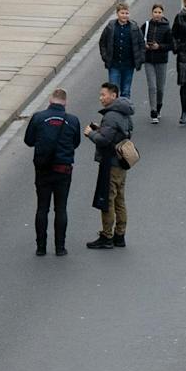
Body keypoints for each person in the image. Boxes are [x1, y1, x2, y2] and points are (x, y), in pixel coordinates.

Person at [22, 87, 81, 257]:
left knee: (42, 208)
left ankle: (41, 247)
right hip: (63, 170)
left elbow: (29, 141)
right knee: (61, 208)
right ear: (65, 102)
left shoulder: (39, 118)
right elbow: (75, 143)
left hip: (43, 169)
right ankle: (60, 247)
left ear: (50, 100)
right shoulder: (73, 120)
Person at [84, 82, 133, 250]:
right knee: (120, 199)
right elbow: (122, 132)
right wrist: (101, 128)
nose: (100, 98)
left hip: (111, 162)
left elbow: (105, 140)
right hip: (122, 161)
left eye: (103, 94)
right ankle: (120, 235)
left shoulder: (111, 115)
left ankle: (107, 236)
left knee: (108, 199)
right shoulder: (124, 112)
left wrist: (91, 134)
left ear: (113, 96)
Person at [98, 3, 143, 98]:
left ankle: (125, 111)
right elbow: (103, 42)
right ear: (117, 13)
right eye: (122, 13)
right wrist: (105, 57)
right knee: (113, 92)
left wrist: (140, 58)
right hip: (114, 65)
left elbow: (141, 44)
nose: (124, 15)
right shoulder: (111, 27)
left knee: (126, 91)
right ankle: (114, 111)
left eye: (127, 13)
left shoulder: (134, 27)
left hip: (129, 65)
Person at [142, 3, 173, 124]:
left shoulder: (167, 28)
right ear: (152, 13)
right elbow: (139, 38)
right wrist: (144, 45)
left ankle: (159, 106)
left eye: (159, 12)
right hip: (148, 59)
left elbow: (171, 45)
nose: (157, 14)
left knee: (160, 88)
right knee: (152, 86)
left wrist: (159, 46)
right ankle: (153, 111)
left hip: (161, 60)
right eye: (155, 12)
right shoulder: (146, 25)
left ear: (163, 14)